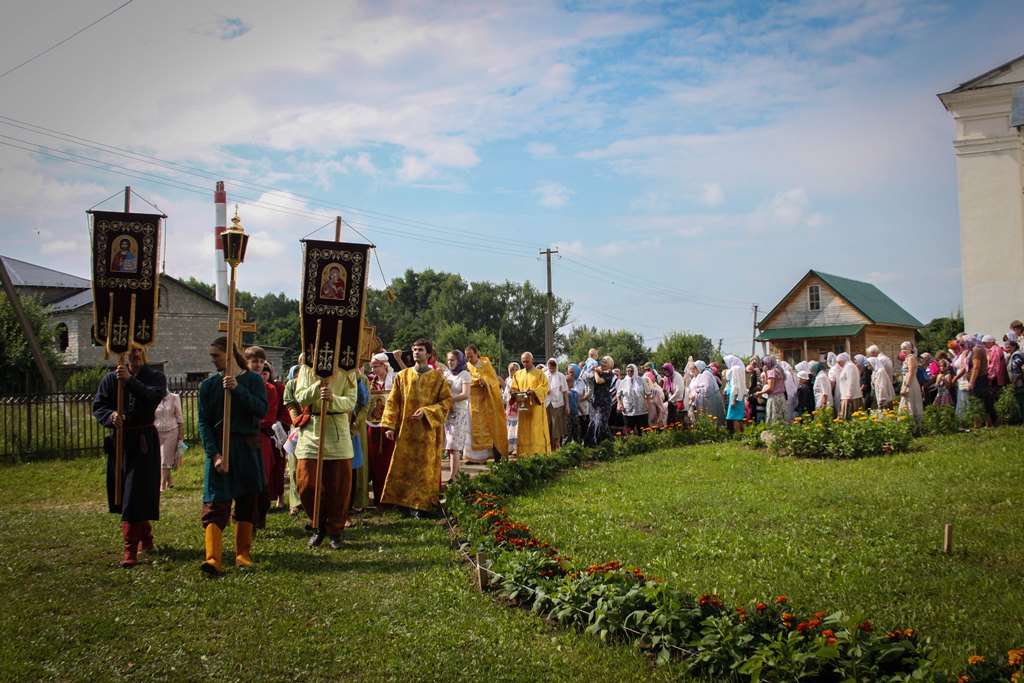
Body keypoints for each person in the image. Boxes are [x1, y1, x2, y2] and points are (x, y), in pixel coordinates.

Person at [197, 336, 267, 575]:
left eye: (216, 355)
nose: (213, 360)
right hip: (219, 449)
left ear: (228, 355)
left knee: (247, 502)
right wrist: (214, 454)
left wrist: (238, 391)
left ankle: (242, 555)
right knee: (215, 504)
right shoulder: (207, 386)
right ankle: (213, 558)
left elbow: (261, 409)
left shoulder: (254, 381)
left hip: (245, 448)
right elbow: (203, 423)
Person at [93, 342, 166, 568]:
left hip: (143, 441)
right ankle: (146, 536)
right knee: (126, 492)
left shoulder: (155, 377)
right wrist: (110, 416)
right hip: (120, 442)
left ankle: (130, 549)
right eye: (130, 350)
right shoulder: (109, 379)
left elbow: (150, 397)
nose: (134, 354)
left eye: (138, 350)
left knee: (135, 492)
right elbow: (99, 406)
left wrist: (130, 380)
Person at [379, 339, 453, 517]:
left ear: (428, 354)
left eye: (420, 350)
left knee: (423, 469)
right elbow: (393, 402)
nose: (416, 353)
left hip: (426, 433)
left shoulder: (437, 378)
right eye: (414, 350)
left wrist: (427, 412)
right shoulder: (402, 376)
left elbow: (446, 402)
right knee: (403, 466)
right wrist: (389, 425)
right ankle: (402, 502)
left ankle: (420, 505)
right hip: (405, 431)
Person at [293, 362, 358, 549]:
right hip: (312, 430)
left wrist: (332, 398)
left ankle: (335, 531)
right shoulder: (307, 367)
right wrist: (318, 387)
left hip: (337, 430)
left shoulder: (348, 367)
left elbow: (351, 400)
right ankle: (318, 525)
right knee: (306, 483)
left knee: (338, 486)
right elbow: (301, 397)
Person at [244, 346, 280, 530]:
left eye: (261, 362)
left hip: (260, 438)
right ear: (246, 362)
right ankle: (243, 516)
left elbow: (269, 417)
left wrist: (249, 422)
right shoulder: (240, 385)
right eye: (254, 361)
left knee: (262, 477)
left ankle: (260, 515)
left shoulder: (270, 389)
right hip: (242, 438)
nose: (258, 365)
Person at [463, 344, 509, 463]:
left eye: (471, 356)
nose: (469, 359)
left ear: (476, 354)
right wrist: (476, 381)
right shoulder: (466, 366)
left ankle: (494, 455)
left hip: (486, 401)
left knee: (490, 428)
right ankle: (474, 457)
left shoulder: (485, 364)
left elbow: (493, 381)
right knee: (472, 429)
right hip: (472, 402)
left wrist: (485, 381)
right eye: (467, 357)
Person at [366, 353, 395, 509]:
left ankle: (391, 498)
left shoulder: (395, 381)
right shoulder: (371, 384)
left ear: (384, 366)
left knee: (388, 462)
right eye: (372, 367)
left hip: (389, 427)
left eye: (376, 366)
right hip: (373, 427)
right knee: (375, 462)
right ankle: (379, 499)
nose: (373, 369)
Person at [510, 352, 551, 455]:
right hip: (523, 409)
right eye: (523, 362)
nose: (525, 363)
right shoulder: (518, 374)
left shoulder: (540, 373)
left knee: (535, 431)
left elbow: (545, 387)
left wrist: (534, 392)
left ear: (532, 360)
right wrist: (513, 392)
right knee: (524, 431)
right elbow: (513, 387)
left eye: (527, 361)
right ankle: (524, 453)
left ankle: (537, 453)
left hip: (535, 409)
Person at [442, 349, 471, 482]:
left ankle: (453, 476)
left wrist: (450, 399)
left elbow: (465, 394)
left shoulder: (465, 374)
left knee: (454, 444)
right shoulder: (447, 375)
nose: (450, 362)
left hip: (459, 412)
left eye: (453, 360)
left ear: (459, 361)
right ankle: (457, 474)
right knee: (449, 444)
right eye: (448, 360)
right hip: (447, 412)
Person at [154, 390, 183, 492]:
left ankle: (162, 486)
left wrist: (180, 435)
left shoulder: (174, 397)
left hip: (171, 431)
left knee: (166, 457)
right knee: (160, 457)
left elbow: (179, 417)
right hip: (156, 431)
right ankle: (169, 481)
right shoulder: (153, 396)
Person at [585, 355, 615, 445]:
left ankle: (608, 443)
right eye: (602, 361)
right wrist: (593, 368)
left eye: (605, 362)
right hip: (595, 401)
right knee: (593, 422)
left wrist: (595, 371)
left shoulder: (609, 373)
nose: (602, 363)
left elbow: (598, 381)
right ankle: (592, 444)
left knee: (601, 423)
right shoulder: (600, 371)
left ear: (610, 364)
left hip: (604, 401)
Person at [688, 360, 725, 425]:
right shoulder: (704, 373)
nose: (695, 370)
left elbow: (707, 389)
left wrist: (697, 390)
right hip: (709, 400)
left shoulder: (706, 373)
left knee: (713, 419)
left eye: (695, 368)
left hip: (712, 400)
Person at [616, 363, 649, 435]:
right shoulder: (623, 382)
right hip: (628, 410)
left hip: (641, 409)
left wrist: (647, 404)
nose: (629, 373)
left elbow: (648, 393)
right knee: (629, 430)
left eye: (631, 371)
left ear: (635, 371)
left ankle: (644, 444)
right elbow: (618, 395)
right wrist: (620, 404)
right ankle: (631, 444)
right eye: (628, 371)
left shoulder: (642, 381)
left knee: (642, 430)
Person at [898, 341, 924, 428]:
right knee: (906, 402)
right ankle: (907, 424)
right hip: (907, 381)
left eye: (905, 348)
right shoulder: (906, 359)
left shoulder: (911, 358)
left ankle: (913, 425)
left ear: (910, 349)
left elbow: (911, 373)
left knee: (909, 401)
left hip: (910, 382)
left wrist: (906, 386)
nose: (903, 351)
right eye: (902, 349)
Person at [544, 358, 569, 448]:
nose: (551, 369)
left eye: (553, 367)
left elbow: (565, 391)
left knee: (556, 427)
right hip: (546, 404)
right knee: (548, 425)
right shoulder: (544, 375)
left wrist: (567, 406)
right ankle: (549, 448)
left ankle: (557, 446)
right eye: (550, 367)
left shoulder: (560, 376)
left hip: (557, 404)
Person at [756, 355, 787, 424]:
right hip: (781, 396)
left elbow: (770, 387)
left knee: (774, 418)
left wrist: (760, 392)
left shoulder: (772, 372)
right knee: (781, 418)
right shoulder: (779, 370)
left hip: (774, 398)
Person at [722, 355, 748, 432]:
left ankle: (738, 434)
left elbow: (735, 385)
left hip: (735, 396)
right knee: (738, 417)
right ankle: (744, 433)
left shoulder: (735, 370)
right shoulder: (739, 369)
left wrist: (733, 399)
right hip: (739, 396)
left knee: (734, 417)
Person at [867, 345, 895, 410]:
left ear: (873, 353)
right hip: (884, 387)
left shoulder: (880, 361)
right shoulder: (886, 359)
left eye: (870, 355)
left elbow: (882, 385)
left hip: (883, 392)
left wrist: (882, 398)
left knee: (885, 410)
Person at [836, 353, 863, 419]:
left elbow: (851, 380)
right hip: (846, 396)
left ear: (843, 360)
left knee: (851, 416)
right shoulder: (846, 367)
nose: (838, 364)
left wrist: (849, 394)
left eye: (839, 362)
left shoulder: (850, 366)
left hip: (851, 397)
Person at [504, 362, 520, 455]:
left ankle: (516, 448)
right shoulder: (507, 380)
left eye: (514, 369)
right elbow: (505, 395)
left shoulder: (519, 380)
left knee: (516, 427)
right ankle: (509, 447)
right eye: (511, 369)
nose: (512, 371)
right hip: (509, 407)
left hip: (516, 406)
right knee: (509, 427)